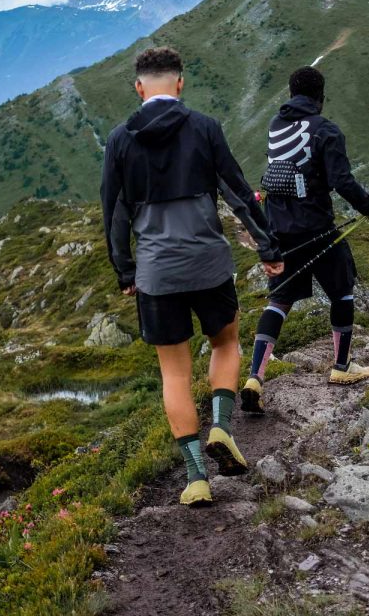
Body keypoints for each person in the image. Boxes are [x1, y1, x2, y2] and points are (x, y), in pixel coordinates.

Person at [101, 46, 283, 507]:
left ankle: (196, 478)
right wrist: (268, 247)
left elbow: (114, 214)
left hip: (157, 274)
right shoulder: (205, 128)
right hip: (208, 264)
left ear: (139, 87)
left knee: (173, 375)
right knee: (225, 343)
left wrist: (125, 270)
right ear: (179, 84)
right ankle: (221, 426)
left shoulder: (120, 140)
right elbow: (240, 193)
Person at [241, 66, 369, 415]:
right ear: (320, 97)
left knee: (279, 300)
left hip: (279, 230)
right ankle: (341, 366)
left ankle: (255, 377)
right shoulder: (326, 130)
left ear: (291, 94)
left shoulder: (276, 126)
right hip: (317, 228)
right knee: (343, 290)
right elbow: (342, 181)